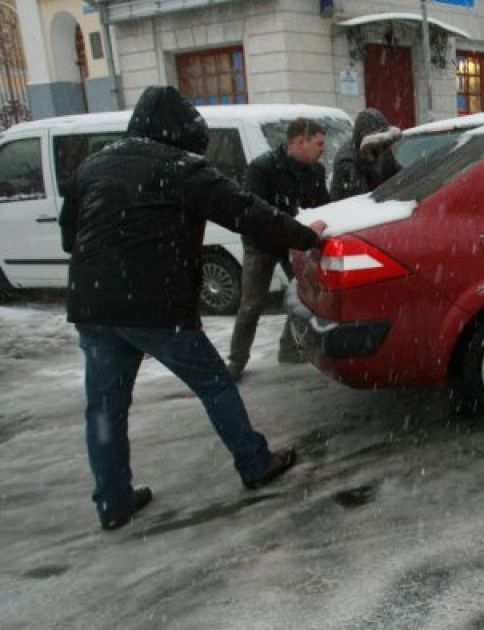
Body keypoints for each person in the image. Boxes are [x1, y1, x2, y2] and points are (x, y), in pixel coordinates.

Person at [59, 85, 326, 530]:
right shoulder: (182, 168)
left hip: (95, 307)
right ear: (185, 129)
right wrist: (307, 236)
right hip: (157, 307)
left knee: (105, 409)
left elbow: (71, 239)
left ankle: (113, 501)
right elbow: (247, 212)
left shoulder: (94, 164)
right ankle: (254, 462)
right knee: (214, 383)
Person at [227, 117, 331, 380]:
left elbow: (323, 207)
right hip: (261, 244)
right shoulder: (262, 168)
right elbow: (254, 213)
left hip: (295, 242)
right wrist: (290, 227)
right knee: (251, 304)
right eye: (318, 143)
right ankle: (236, 361)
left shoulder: (314, 171)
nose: (323, 150)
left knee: (303, 296)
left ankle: (289, 348)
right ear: (299, 141)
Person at [330, 108, 401, 201]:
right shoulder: (346, 161)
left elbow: (398, 176)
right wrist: (366, 164)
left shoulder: (383, 152)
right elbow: (359, 199)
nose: (380, 149)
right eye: (376, 144)